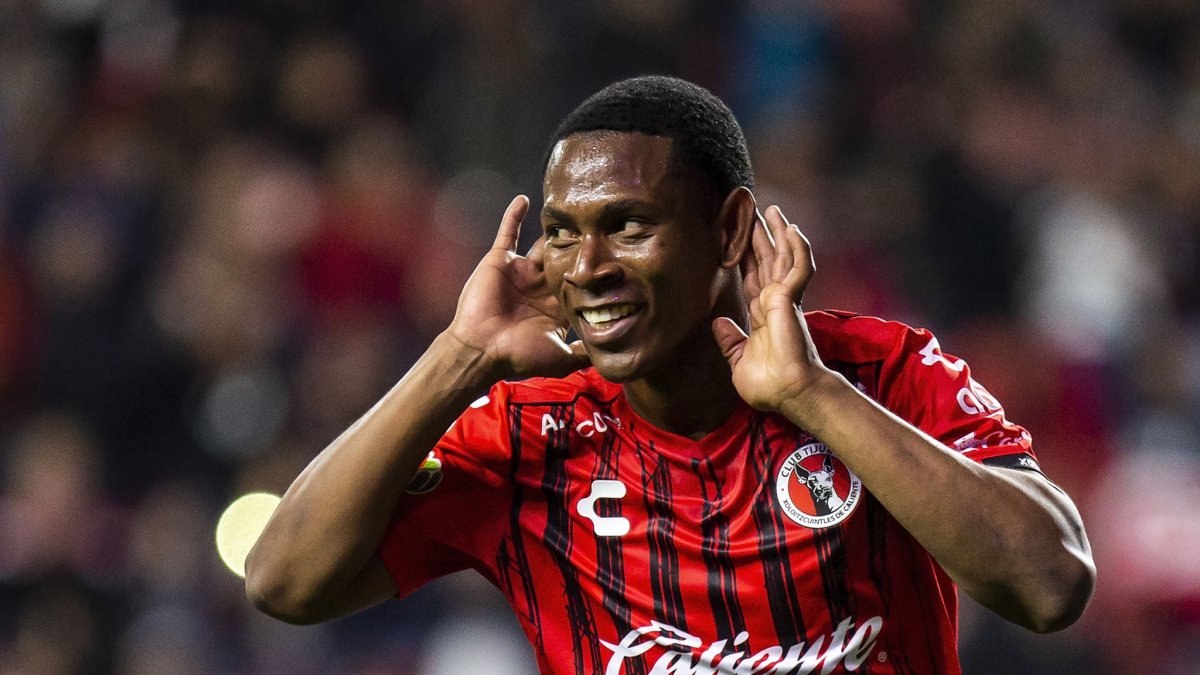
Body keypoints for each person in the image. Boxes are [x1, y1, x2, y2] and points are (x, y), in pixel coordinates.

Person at [245, 76, 1095, 674]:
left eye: (627, 225)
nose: (589, 266)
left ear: (729, 228)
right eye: (564, 232)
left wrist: (812, 396)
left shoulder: (881, 371)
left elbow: (1051, 583)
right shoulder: (528, 432)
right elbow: (282, 581)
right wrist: (458, 359)